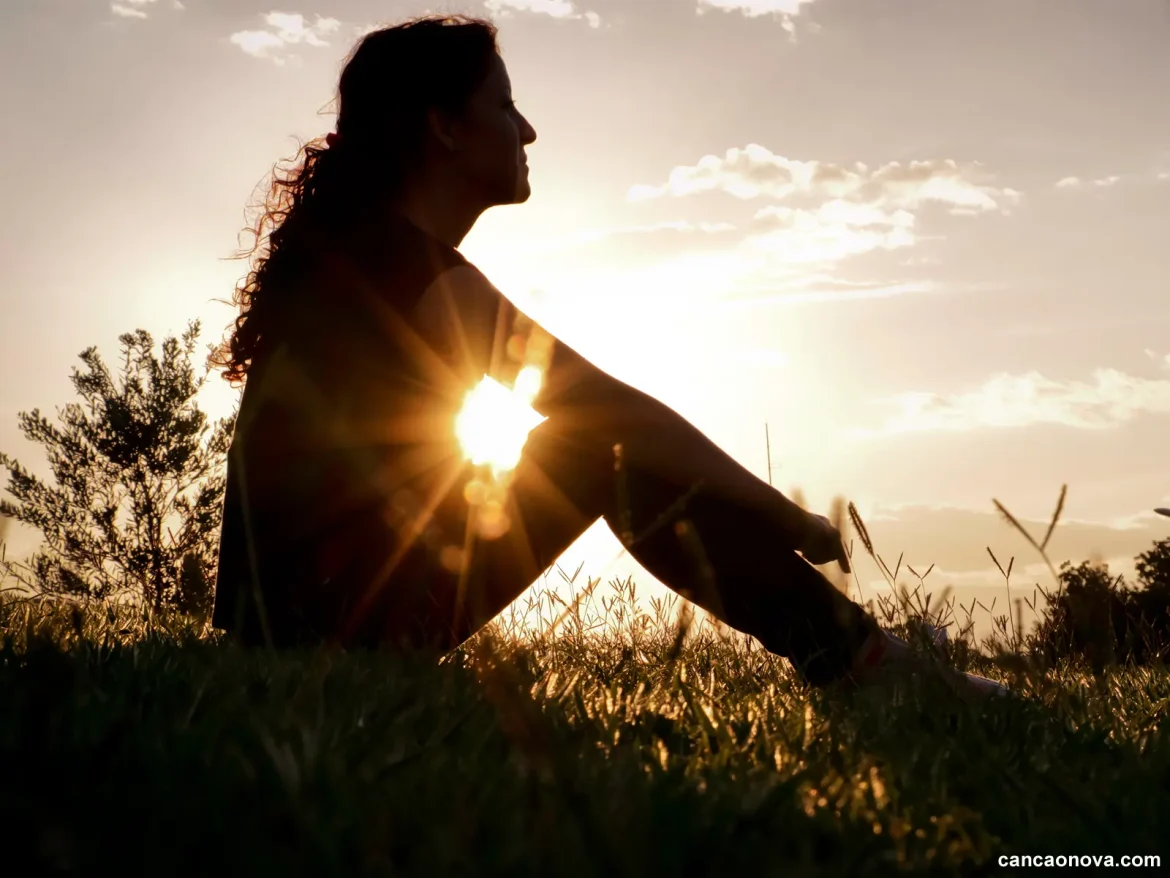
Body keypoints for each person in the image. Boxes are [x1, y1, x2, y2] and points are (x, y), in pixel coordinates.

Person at [209, 14, 1005, 696]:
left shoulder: (365, 265)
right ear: (444, 127)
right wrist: (779, 510)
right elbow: (603, 409)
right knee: (594, 442)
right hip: (327, 641)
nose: (526, 130)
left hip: (301, 632)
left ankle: (864, 655)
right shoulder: (404, 272)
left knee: (589, 439)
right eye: (505, 105)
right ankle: (866, 660)